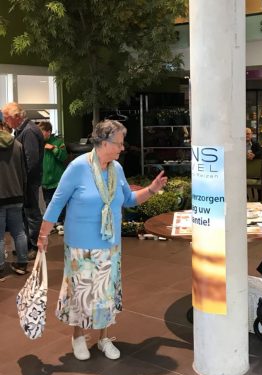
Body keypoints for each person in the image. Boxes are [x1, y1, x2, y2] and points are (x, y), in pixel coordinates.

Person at [37, 119, 168, 361]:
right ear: (104, 143)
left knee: (106, 294)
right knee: (81, 294)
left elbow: (128, 199)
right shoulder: (78, 167)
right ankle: (78, 336)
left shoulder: (116, 169)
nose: (122, 148)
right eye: (119, 143)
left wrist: (152, 189)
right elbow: (56, 202)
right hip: (81, 245)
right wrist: (43, 235)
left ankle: (103, 337)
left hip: (110, 244)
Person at [1, 102, 44, 260]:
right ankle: (26, 247)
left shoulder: (29, 132)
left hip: (29, 182)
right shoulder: (25, 130)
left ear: (16, 117)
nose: (6, 122)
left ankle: (35, 246)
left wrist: (22, 181)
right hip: (26, 181)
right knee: (27, 214)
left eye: (7, 118)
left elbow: (30, 162)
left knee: (32, 214)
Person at [0, 122, 28, 280]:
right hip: (16, 194)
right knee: (19, 232)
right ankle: (22, 264)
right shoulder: (17, 144)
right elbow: (24, 171)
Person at [38, 121, 67, 231]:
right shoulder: (38, 143)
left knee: (58, 202)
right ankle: (52, 223)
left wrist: (53, 148)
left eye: (42, 133)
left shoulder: (58, 142)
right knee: (48, 202)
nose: (40, 135)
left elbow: (64, 157)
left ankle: (60, 222)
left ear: (49, 132)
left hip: (57, 180)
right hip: (44, 181)